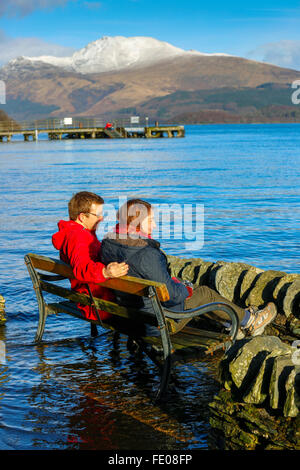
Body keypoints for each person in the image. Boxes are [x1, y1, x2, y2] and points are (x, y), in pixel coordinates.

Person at [100, 198, 277, 338]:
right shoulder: (147, 253)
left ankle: (232, 323)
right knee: (203, 293)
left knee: (191, 291)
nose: (154, 225)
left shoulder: (108, 243)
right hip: (154, 323)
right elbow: (170, 296)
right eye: (151, 221)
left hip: (126, 316)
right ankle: (251, 321)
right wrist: (185, 289)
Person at [52, 191, 129, 321]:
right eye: (98, 215)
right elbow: (81, 268)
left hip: (89, 297)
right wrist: (105, 272)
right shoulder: (79, 237)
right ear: (82, 217)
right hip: (97, 305)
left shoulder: (75, 232)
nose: (102, 218)